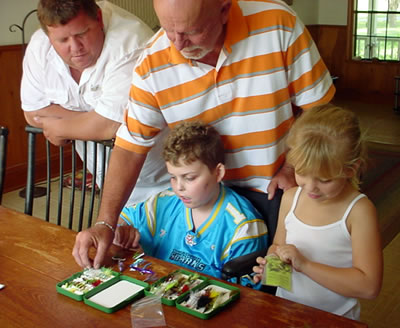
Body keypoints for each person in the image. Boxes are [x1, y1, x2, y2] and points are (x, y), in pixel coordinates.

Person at [73, 0, 336, 269]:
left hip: (278, 190)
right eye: (167, 29)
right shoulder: (153, 62)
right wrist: (105, 222)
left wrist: (294, 165)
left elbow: (319, 111)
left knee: (288, 280)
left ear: (224, 9)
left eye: (191, 31)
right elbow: (130, 147)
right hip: (207, 196)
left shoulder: (278, 23)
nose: (178, 44)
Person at [20, 0, 171, 205]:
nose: (76, 48)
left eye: (82, 34)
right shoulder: (40, 45)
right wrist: (91, 122)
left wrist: (61, 128)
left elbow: (110, 125)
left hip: (163, 178)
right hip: (104, 179)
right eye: (63, 40)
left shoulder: (131, 43)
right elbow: (32, 114)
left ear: (98, 18)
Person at [252, 105, 383, 320]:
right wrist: (271, 266)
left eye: (324, 179)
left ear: (351, 169)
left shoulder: (358, 211)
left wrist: (306, 265)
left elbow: (368, 286)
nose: (311, 187)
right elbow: (278, 246)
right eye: (301, 172)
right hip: (287, 312)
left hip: (336, 319)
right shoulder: (291, 198)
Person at [113, 121, 268, 279]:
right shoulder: (162, 203)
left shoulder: (244, 228)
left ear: (218, 172)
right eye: (173, 177)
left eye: (189, 178)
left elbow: (246, 295)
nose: (179, 187)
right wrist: (120, 233)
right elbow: (121, 221)